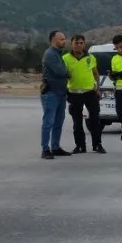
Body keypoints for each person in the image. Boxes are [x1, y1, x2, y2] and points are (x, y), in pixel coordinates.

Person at [63, 35, 105, 154]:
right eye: (76, 43)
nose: (79, 45)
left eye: (81, 43)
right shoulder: (65, 58)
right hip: (74, 93)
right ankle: (80, 146)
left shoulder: (90, 58)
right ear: (71, 44)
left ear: (84, 44)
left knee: (95, 120)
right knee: (77, 122)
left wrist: (98, 88)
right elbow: (63, 75)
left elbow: (95, 73)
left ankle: (97, 145)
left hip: (90, 93)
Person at [40, 30, 71, 159]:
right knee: (48, 122)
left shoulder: (58, 54)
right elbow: (60, 71)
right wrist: (67, 73)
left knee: (59, 121)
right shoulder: (50, 54)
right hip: (51, 93)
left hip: (61, 93)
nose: (64, 41)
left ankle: (55, 147)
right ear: (53, 40)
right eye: (62, 39)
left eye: (64, 39)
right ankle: (45, 149)